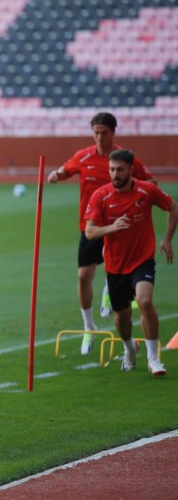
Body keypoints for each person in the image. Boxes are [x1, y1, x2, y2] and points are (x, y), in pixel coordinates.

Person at [48, 112, 154, 355]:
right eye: (95, 132)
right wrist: (55, 175)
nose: (99, 137)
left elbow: (150, 182)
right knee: (84, 276)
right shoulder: (83, 156)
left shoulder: (126, 160)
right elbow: (64, 170)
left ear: (113, 133)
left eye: (103, 133)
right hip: (92, 226)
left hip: (122, 227)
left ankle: (111, 292)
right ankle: (88, 326)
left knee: (121, 273)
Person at [85, 149, 176, 376]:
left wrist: (167, 239)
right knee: (122, 315)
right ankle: (129, 349)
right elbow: (89, 231)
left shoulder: (147, 191)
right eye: (112, 169)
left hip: (142, 259)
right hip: (115, 265)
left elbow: (173, 207)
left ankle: (153, 358)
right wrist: (111, 228)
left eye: (120, 170)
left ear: (131, 170)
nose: (115, 174)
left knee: (145, 302)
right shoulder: (101, 196)